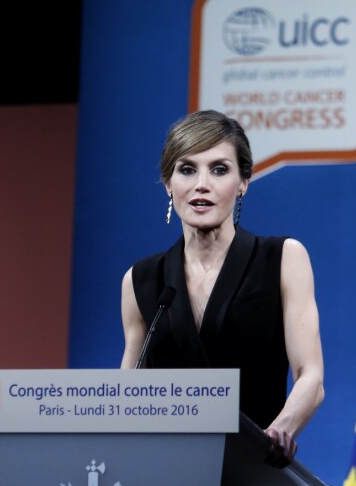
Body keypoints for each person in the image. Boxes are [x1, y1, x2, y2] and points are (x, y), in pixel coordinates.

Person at [121, 110, 324, 466]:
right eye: (187, 169)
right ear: (168, 184)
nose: (202, 184)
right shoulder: (141, 280)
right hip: (168, 469)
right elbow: (127, 393)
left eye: (219, 169)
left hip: (253, 465)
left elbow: (311, 377)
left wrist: (276, 433)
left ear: (244, 181)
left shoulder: (282, 259)